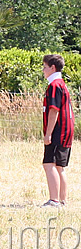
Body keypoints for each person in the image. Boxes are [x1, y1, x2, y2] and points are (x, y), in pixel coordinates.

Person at [41, 54, 74, 207]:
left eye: (45, 67)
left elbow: (54, 111)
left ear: (52, 67)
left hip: (58, 131)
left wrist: (48, 134)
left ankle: (54, 200)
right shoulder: (62, 84)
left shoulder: (54, 85)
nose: (43, 70)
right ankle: (62, 200)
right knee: (60, 167)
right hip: (66, 131)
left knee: (49, 164)